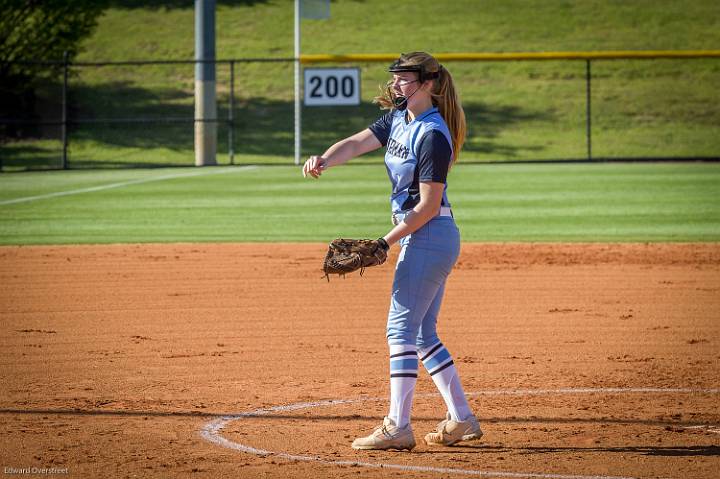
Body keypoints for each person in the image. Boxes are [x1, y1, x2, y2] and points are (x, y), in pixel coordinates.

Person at [302, 52, 482, 451]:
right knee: (421, 334)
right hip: (426, 236)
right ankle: (462, 419)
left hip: (429, 234)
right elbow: (357, 142)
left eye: (405, 78)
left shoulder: (433, 134)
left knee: (400, 330)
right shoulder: (400, 118)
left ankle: (398, 426)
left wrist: (386, 241)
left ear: (429, 83)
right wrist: (325, 161)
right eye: (396, 78)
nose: (397, 84)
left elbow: (429, 206)